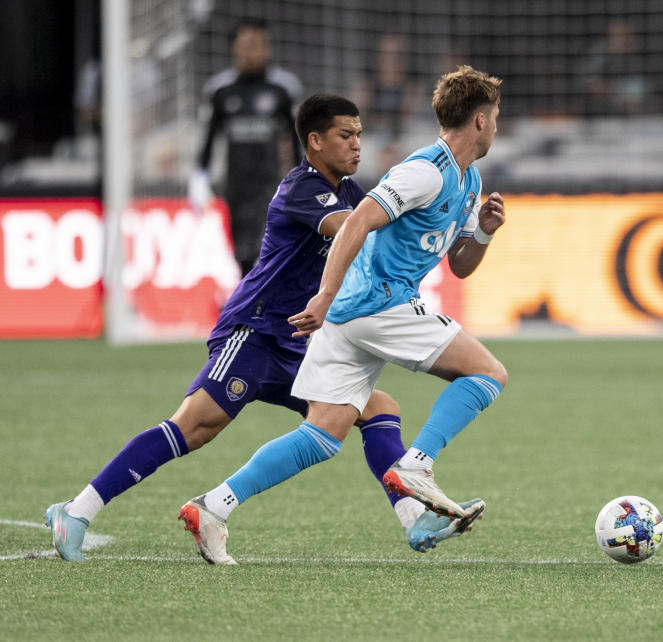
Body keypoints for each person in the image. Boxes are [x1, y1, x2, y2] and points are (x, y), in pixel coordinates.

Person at [44, 94, 476, 564]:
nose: (357, 146)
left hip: (297, 340)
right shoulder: (302, 187)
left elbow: (371, 226)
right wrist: (415, 208)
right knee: (194, 427)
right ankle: (75, 510)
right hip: (254, 332)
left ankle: (414, 519)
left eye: (359, 135)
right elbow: (355, 228)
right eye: (345, 136)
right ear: (314, 141)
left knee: (376, 409)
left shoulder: (352, 193)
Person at [182, 66, 507, 560]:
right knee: (488, 374)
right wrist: (325, 295)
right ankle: (417, 466)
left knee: (322, 434)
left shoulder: (469, 179)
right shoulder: (426, 170)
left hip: (354, 314)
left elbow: (460, 265)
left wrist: (482, 231)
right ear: (480, 121)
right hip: (379, 300)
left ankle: (214, 506)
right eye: (496, 116)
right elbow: (358, 221)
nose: (498, 126)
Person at [189, 18, 303, 276]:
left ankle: (262, 304)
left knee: (267, 248)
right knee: (240, 252)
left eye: (260, 44)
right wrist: (200, 176)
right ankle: (249, 302)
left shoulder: (283, 89)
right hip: (235, 184)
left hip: (270, 185)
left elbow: (297, 138)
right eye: (248, 44)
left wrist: (300, 178)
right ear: (235, 48)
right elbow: (208, 136)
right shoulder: (220, 91)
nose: (254, 51)